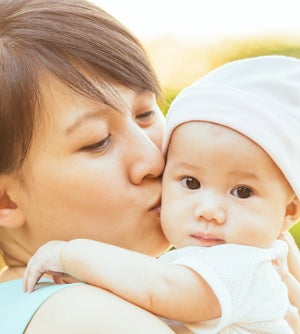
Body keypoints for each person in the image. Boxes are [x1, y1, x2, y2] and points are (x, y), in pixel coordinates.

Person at [24, 55, 300, 333]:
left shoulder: (245, 265)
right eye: (191, 183)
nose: (208, 210)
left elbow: (163, 289)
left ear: (289, 212)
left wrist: (71, 254)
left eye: (242, 192)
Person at [0, 0, 180, 334]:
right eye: (98, 142)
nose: (152, 159)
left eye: (145, 113)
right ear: (6, 199)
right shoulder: (86, 316)